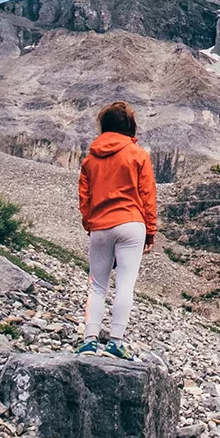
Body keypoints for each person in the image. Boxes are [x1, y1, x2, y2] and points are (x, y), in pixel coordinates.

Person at [76, 101, 156, 359]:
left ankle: (89, 340)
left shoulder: (90, 159)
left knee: (97, 286)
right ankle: (116, 341)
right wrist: (150, 231)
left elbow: (84, 198)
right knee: (125, 285)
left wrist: (91, 224)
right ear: (130, 126)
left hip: (100, 225)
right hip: (132, 224)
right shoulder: (139, 155)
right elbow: (147, 196)